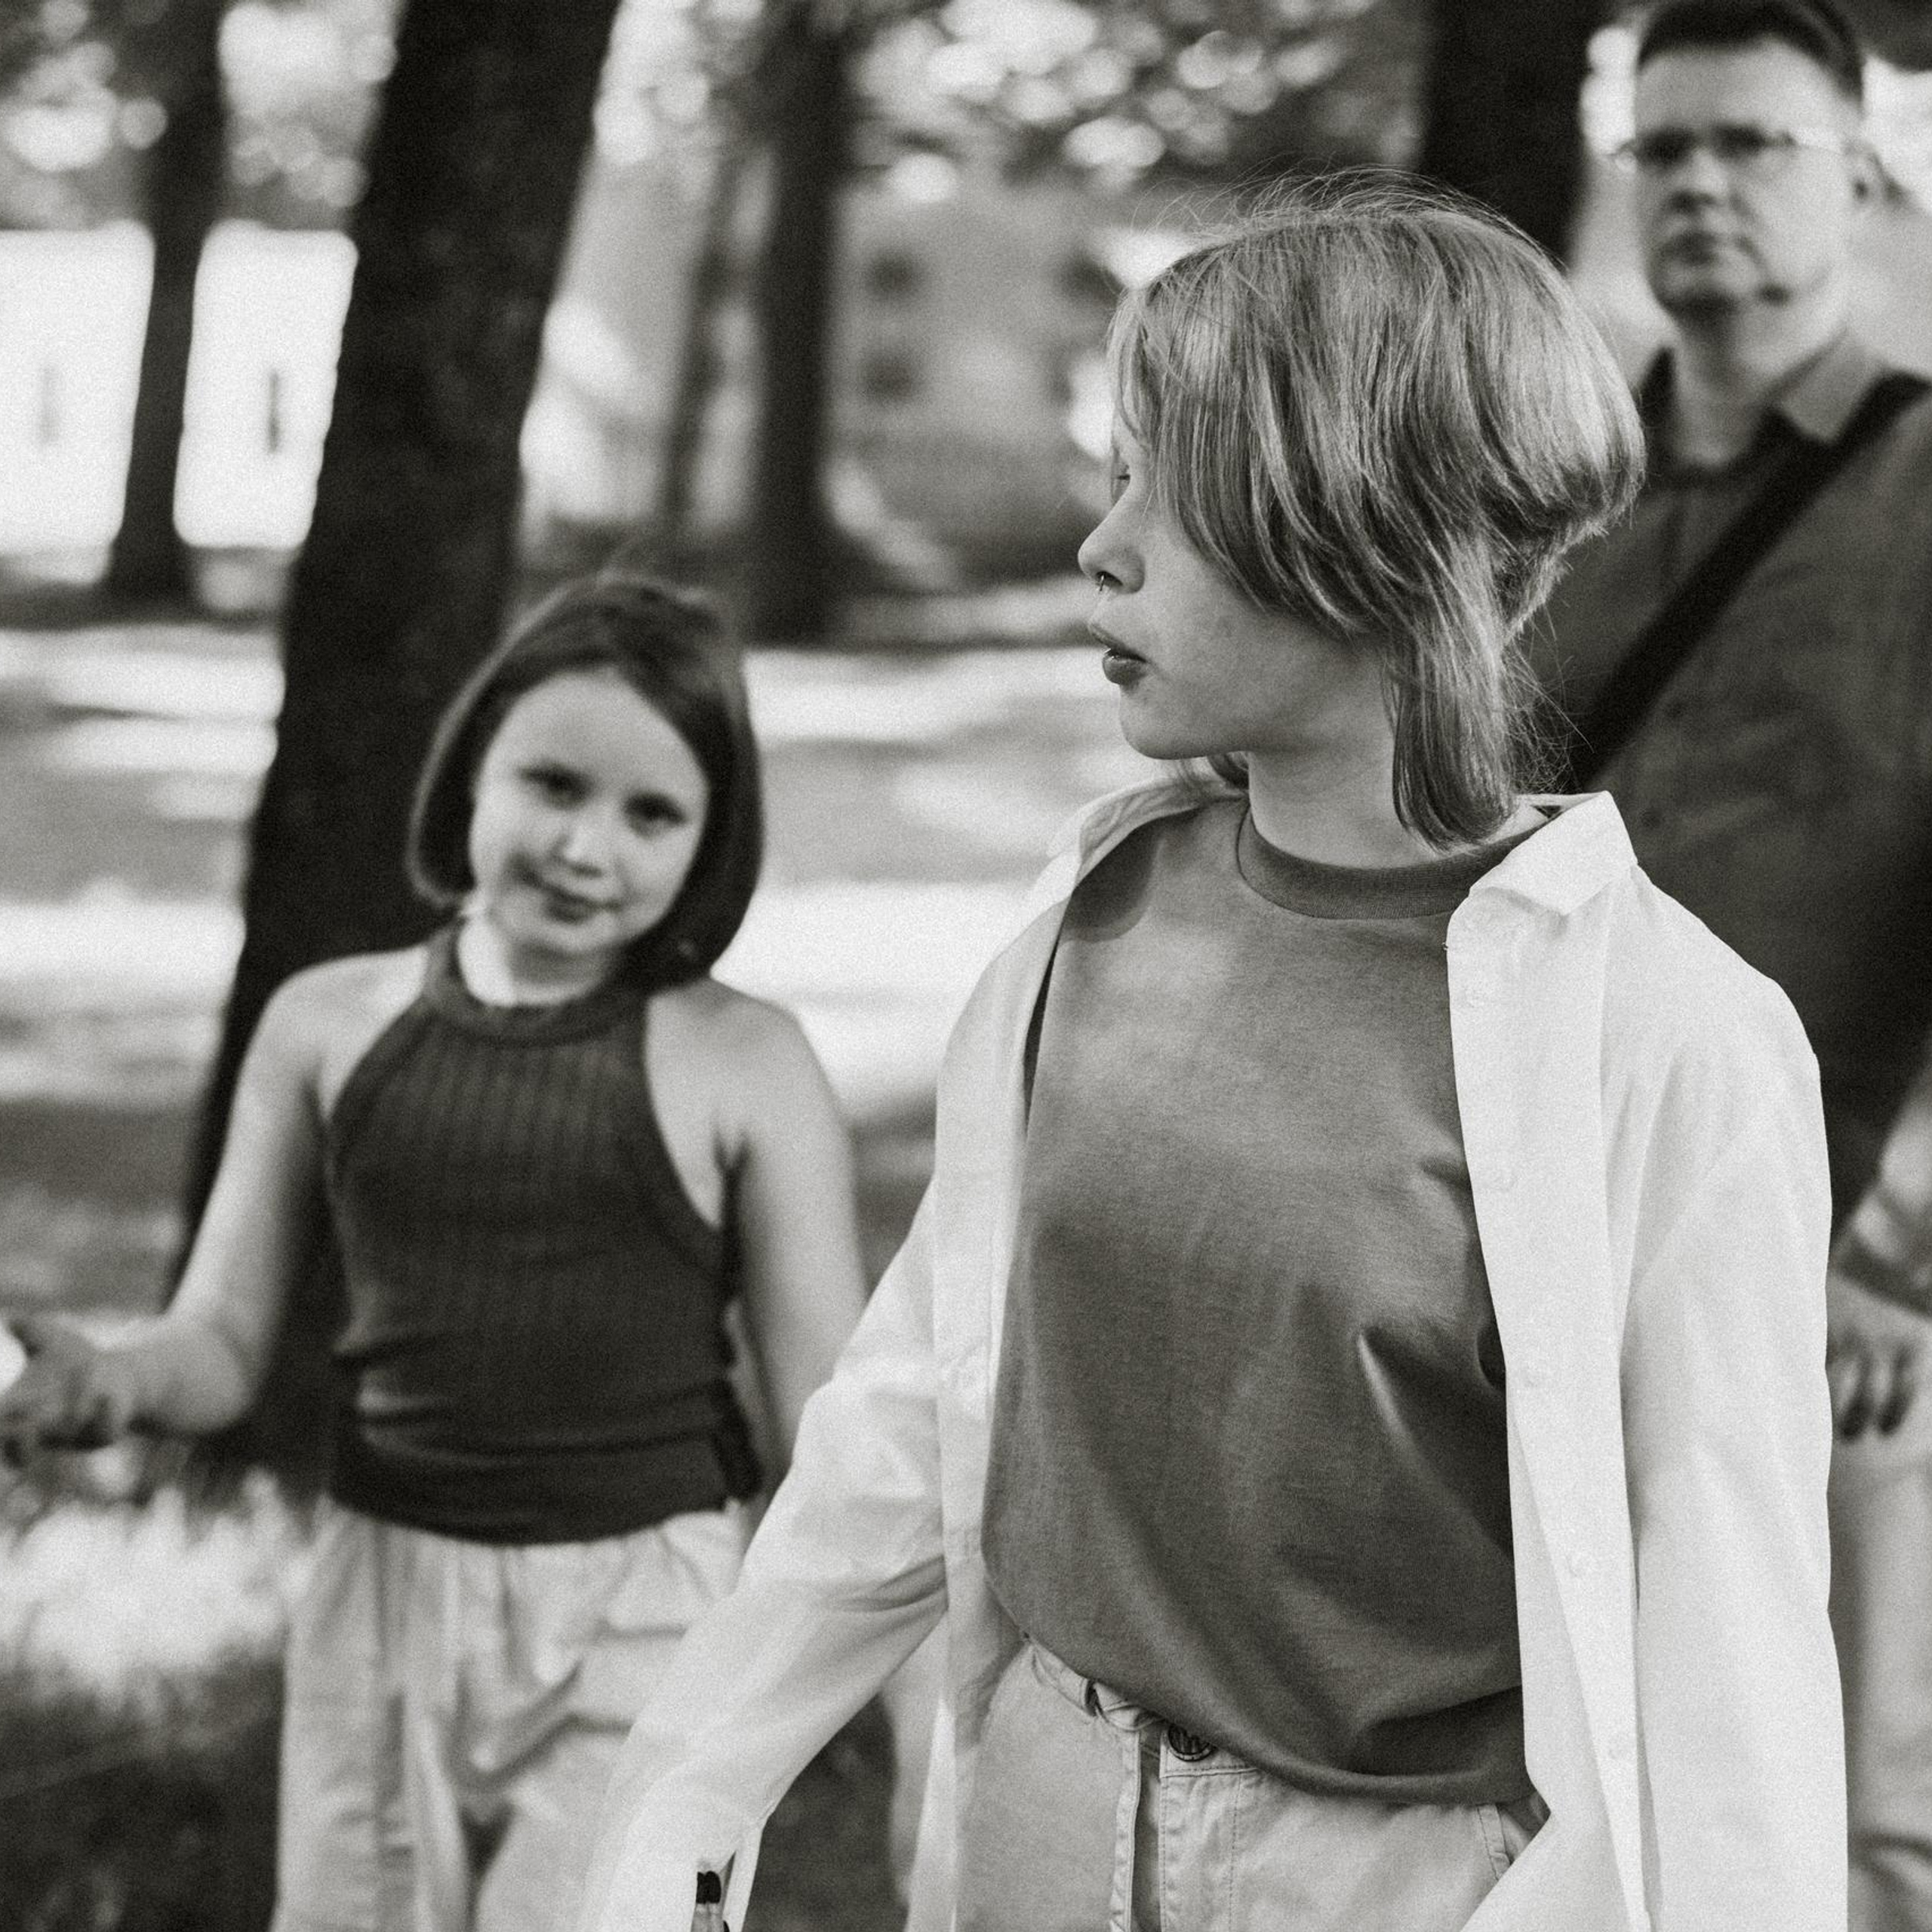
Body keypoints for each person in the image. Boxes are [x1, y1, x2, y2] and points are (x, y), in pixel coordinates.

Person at [573, 178, 1844, 1932]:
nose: (1098, 547)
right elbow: (914, 1397)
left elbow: (1728, 1681)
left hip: (1389, 1882)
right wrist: (689, 1799)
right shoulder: (1088, 916)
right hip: (1035, 1809)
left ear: (1361, 526)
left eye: (1162, 489)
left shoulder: (1673, 1043)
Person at [0, 575, 870, 1932]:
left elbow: (832, 1415)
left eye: (651, 814)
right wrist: (114, 1383)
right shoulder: (325, 1026)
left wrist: (856, 1680)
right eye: (553, 785)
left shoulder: (745, 1060)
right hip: (382, 1597)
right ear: (471, 771)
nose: (586, 847)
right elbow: (222, 1339)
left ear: (712, 839)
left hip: (643, 1613)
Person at [1529, 5, 1932, 1922]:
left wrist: (1896, 1253)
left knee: (1850, 1806)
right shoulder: (1549, 503)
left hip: (1836, 1282)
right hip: (1536, 1243)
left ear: (1858, 175)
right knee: (1581, 1790)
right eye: (1662, 144)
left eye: (1750, 142)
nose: (1696, 180)